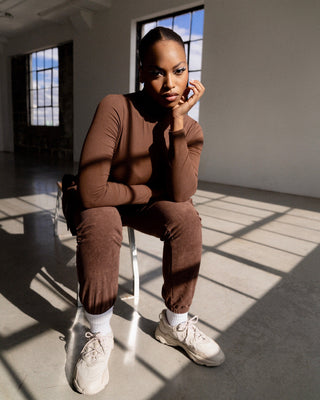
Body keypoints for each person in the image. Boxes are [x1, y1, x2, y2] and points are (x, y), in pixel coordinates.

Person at [71, 27, 225, 395]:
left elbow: (183, 193)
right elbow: (92, 192)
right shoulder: (115, 107)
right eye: (157, 72)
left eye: (179, 70)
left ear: (189, 73)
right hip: (101, 202)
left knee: (186, 217)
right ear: (142, 72)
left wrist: (177, 124)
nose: (170, 82)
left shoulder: (191, 129)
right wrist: (153, 190)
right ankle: (99, 332)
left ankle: (174, 323)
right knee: (101, 217)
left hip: (138, 203)